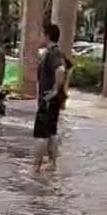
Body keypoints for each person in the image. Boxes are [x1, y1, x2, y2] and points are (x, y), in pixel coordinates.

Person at [33, 23, 67, 173]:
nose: (39, 37)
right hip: (52, 101)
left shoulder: (53, 53)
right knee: (51, 132)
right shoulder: (54, 52)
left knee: (41, 135)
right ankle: (52, 164)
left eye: (41, 34)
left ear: (47, 35)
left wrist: (54, 90)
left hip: (47, 100)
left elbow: (61, 70)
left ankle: (36, 167)